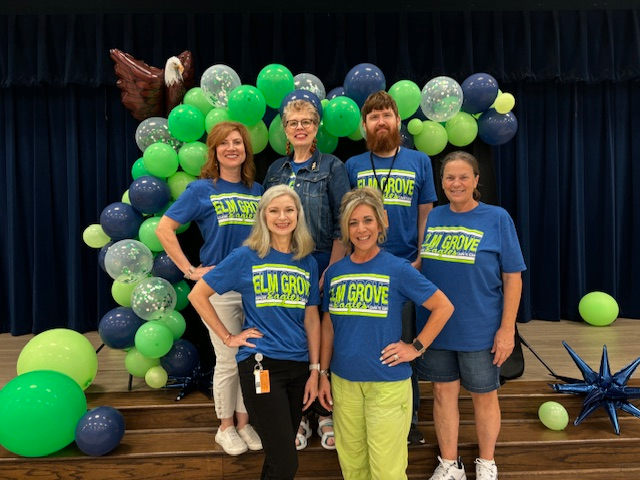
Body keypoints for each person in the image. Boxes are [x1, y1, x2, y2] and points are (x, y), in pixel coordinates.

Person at [317, 186, 454, 480]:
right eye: (353, 223)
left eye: (367, 220)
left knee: (386, 471)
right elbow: (328, 326)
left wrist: (415, 347)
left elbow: (443, 307)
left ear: (380, 224)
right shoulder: (336, 273)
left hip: (387, 385)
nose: (361, 229)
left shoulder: (397, 268)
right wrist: (322, 374)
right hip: (344, 384)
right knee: (353, 467)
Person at [188, 185, 321, 480]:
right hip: (262, 366)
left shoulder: (307, 261)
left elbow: (312, 318)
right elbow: (198, 295)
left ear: (298, 214)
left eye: (289, 210)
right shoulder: (246, 256)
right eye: (274, 210)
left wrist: (315, 369)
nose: (282, 217)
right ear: (262, 215)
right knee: (286, 461)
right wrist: (228, 337)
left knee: (278, 457)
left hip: (299, 368)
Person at [416, 151, 526, 480]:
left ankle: (487, 463)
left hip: (480, 328)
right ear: (442, 182)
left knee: (484, 395)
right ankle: (450, 464)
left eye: (464, 176)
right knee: (441, 393)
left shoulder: (497, 218)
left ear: (477, 180)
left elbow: (513, 277)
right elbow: (423, 264)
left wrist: (507, 330)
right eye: (449, 177)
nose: (456, 183)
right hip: (436, 329)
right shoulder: (434, 217)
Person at [156, 121, 264, 456]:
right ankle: (225, 427)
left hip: (256, 289)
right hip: (219, 289)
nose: (232, 148)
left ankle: (245, 422)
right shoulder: (202, 189)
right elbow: (164, 228)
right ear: (214, 151)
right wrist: (190, 270)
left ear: (246, 149)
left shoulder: (257, 190)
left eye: (238, 142)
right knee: (229, 358)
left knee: (253, 357)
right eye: (224, 144)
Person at [345, 90, 438, 444]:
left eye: (386, 114)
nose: (380, 121)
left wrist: (421, 256)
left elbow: (426, 212)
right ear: (365, 125)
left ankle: (409, 419)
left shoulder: (420, 161)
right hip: (364, 266)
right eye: (373, 117)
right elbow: (350, 220)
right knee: (366, 342)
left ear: (397, 120)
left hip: (406, 266)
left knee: (404, 345)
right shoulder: (354, 166)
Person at [263, 98, 350, 450]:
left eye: (307, 122)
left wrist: (329, 270)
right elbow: (268, 221)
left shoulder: (332, 166)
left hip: (322, 262)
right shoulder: (274, 171)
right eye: (293, 122)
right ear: (284, 129)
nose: (300, 127)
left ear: (317, 128)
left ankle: (325, 411)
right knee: (293, 340)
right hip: (284, 264)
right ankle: (298, 413)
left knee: (324, 336)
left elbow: (344, 224)